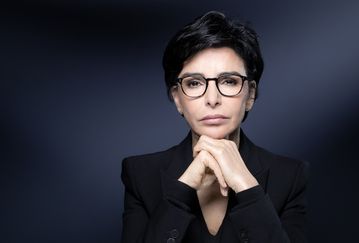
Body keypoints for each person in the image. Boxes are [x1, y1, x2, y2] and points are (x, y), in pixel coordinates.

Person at [121, 10, 309, 243]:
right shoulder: (141, 175)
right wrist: (184, 186)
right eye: (194, 83)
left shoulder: (289, 176)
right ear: (178, 98)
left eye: (228, 81)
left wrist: (246, 185)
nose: (212, 99)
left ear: (250, 94)